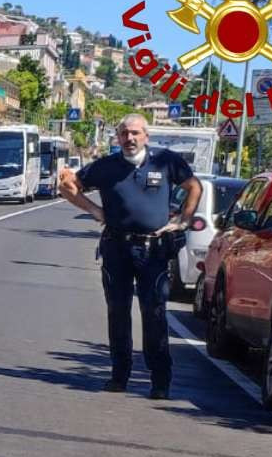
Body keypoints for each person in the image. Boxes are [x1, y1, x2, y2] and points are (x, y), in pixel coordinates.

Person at [59, 113, 197, 400]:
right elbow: (68, 185)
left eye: (135, 133)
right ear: (117, 138)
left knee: (155, 313)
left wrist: (184, 219)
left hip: (154, 250)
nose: (129, 138)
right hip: (116, 248)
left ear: (146, 135)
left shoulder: (165, 161)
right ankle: (119, 376)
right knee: (118, 312)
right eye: (124, 134)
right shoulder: (106, 166)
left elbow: (194, 187)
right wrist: (95, 211)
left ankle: (160, 381)